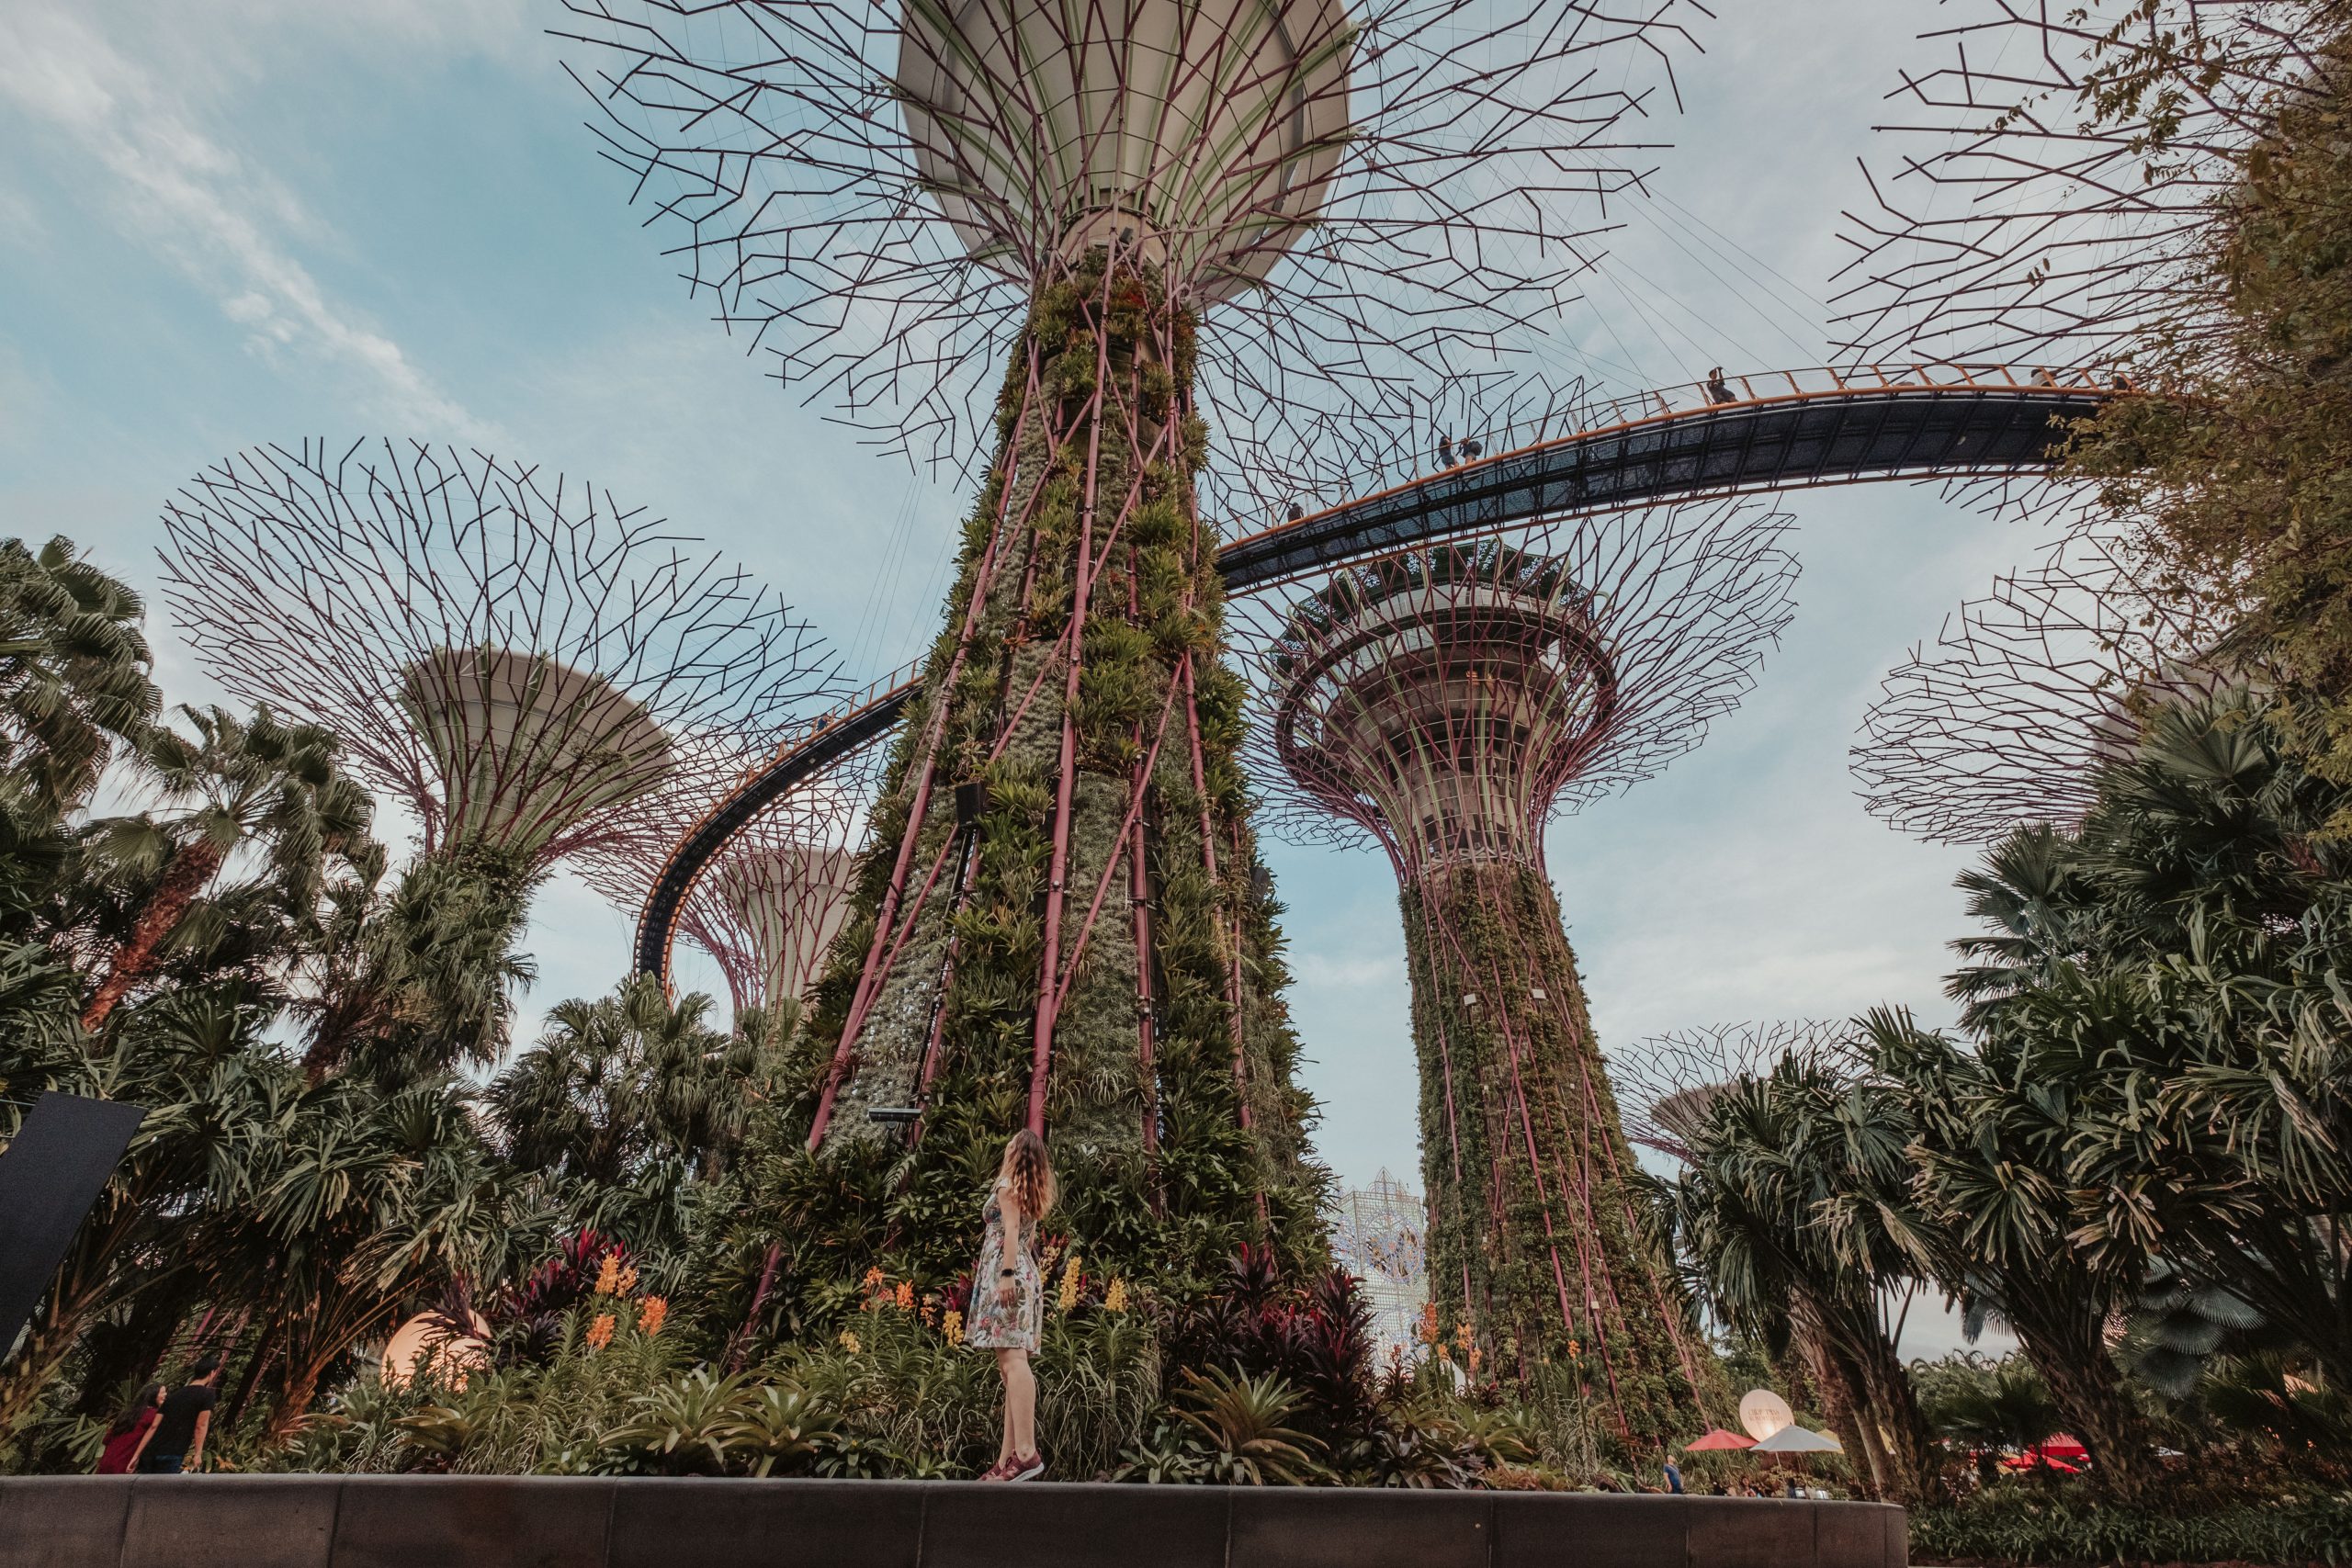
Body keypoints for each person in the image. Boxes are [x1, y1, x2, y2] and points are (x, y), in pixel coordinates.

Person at [967, 1129, 1054, 1482]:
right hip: (1024, 1275)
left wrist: (1005, 1274)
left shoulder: (1006, 1185)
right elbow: (1027, 1237)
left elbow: (1013, 1231)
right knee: (1010, 1366)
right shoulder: (1027, 1191)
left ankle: (1026, 1453)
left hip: (1008, 1276)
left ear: (1015, 1152)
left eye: (1010, 1144)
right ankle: (1007, 1462)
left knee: (1013, 1363)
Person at [137, 1353, 221, 1473]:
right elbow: (201, 1425)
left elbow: (154, 1425)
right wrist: (197, 1454)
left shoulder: (175, 1395)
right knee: (162, 1490)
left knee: (143, 1490)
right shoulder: (207, 1395)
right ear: (212, 1372)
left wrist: (137, 1455)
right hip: (173, 1452)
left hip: (151, 1450)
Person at [96, 1383, 164, 1474]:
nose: (166, 1395)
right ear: (154, 1395)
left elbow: (106, 1440)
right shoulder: (154, 1415)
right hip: (126, 1463)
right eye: (163, 1392)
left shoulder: (128, 1413)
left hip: (106, 1461)